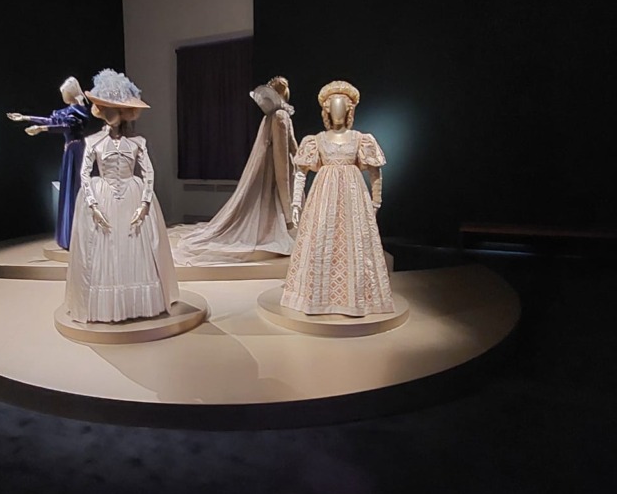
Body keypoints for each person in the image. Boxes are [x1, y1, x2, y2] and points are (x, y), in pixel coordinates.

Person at [63, 69, 178, 323]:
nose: (111, 113)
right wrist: (93, 204)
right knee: (106, 251)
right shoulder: (93, 142)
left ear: (126, 112)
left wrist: (145, 203)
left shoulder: (138, 142)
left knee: (134, 248)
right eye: (107, 107)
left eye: (117, 108)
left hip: (132, 196)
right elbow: (84, 174)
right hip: (103, 195)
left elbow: (148, 172)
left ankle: (135, 303)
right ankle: (105, 305)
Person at [281, 79, 396, 317]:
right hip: (323, 198)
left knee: (355, 244)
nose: (338, 113)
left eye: (342, 107)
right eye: (333, 108)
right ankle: (317, 297)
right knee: (321, 242)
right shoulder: (316, 140)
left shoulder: (361, 139)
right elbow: (300, 173)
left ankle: (356, 296)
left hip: (353, 198)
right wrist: (296, 203)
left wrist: (376, 201)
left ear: (349, 110)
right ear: (326, 111)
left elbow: (375, 172)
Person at [172, 75, 298, 265]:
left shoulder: (273, 116)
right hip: (277, 173)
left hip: (280, 170)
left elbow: (291, 147)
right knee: (273, 204)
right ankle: (281, 229)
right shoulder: (279, 117)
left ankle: (276, 229)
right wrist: (288, 214)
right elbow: (281, 156)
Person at [7, 77, 91, 250]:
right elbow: (52, 121)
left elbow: (65, 126)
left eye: (64, 93)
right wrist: (25, 118)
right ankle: (69, 235)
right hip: (70, 150)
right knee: (69, 189)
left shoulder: (78, 112)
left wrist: (41, 129)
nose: (63, 96)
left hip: (76, 151)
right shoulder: (69, 110)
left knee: (75, 188)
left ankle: (79, 235)